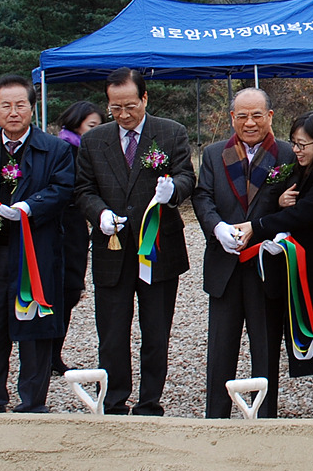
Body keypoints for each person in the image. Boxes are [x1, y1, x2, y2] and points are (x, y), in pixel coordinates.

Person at [0, 75, 76, 412]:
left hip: (35, 251)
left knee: (35, 325)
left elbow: (63, 189)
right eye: (6, 105)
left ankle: (33, 403)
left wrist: (27, 208)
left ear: (32, 108)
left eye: (21, 105)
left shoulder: (56, 150)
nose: (14, 112)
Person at [75, 68, 196, 416]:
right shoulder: (94, 141)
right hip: (111, 248)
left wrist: (173, 190)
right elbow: (83, 189)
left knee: (156, 331)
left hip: (158, 247)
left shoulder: (170, 132)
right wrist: (99, 215)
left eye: (130, 106)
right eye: (115, 108)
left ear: (145, 98)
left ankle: (149, 401)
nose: (124, 115)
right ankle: (113, 400)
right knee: (112, 332)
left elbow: (187, 175)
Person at [236, 111, 313, 418]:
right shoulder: (310, 170)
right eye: (294, 143)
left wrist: (257, 226)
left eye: (304, 144)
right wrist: (278, 203)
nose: (298, 150)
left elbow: (303, 214)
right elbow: (291, 204)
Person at [191, 87, 294, 419]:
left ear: (270, 117)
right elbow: (202, 197)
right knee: (221, 347)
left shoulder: (287, 154)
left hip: (266, 263)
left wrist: (274, 228)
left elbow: (297, 203)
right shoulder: (213, 154)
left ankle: (265, 418)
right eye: (243, 116)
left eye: (257, 115)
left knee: (265, 348)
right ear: (232, 117)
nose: (250, 123)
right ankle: (216, 417)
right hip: (224, 263)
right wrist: (217, 227)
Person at [53, 100, 102, 375]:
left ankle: (54, 353)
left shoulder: (87, 150)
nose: (95, 132)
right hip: (62, 224)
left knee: (71, 289)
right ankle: (48, 353)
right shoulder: (63, 150)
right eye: (91, 126)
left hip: (77, 227)